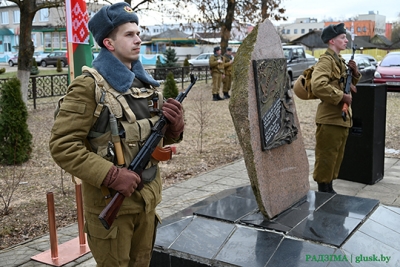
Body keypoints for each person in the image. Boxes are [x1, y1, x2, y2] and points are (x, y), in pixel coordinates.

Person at [49, 2, 184, 266]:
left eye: (138, 33)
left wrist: (175, 128)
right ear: (109, 44)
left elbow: (154, 139)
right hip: (112, 206)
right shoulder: (89, 86)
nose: (138, 39)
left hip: (146, 203)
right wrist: (111, 175)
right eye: (129, 34)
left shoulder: (146, 85)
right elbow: (63, 146)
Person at [311, 23, 361, 194]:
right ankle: (323, 192)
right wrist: (341, 97)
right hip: (330, 119)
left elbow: (344, 85)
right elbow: (318, 85)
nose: (346, 40)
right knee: (326, 158)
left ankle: (329, 189)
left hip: (341, 118)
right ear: (332, 41)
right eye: (342, 37)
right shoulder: (326, 61)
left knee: (335, 158)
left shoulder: (339, 61)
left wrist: (354, 74)